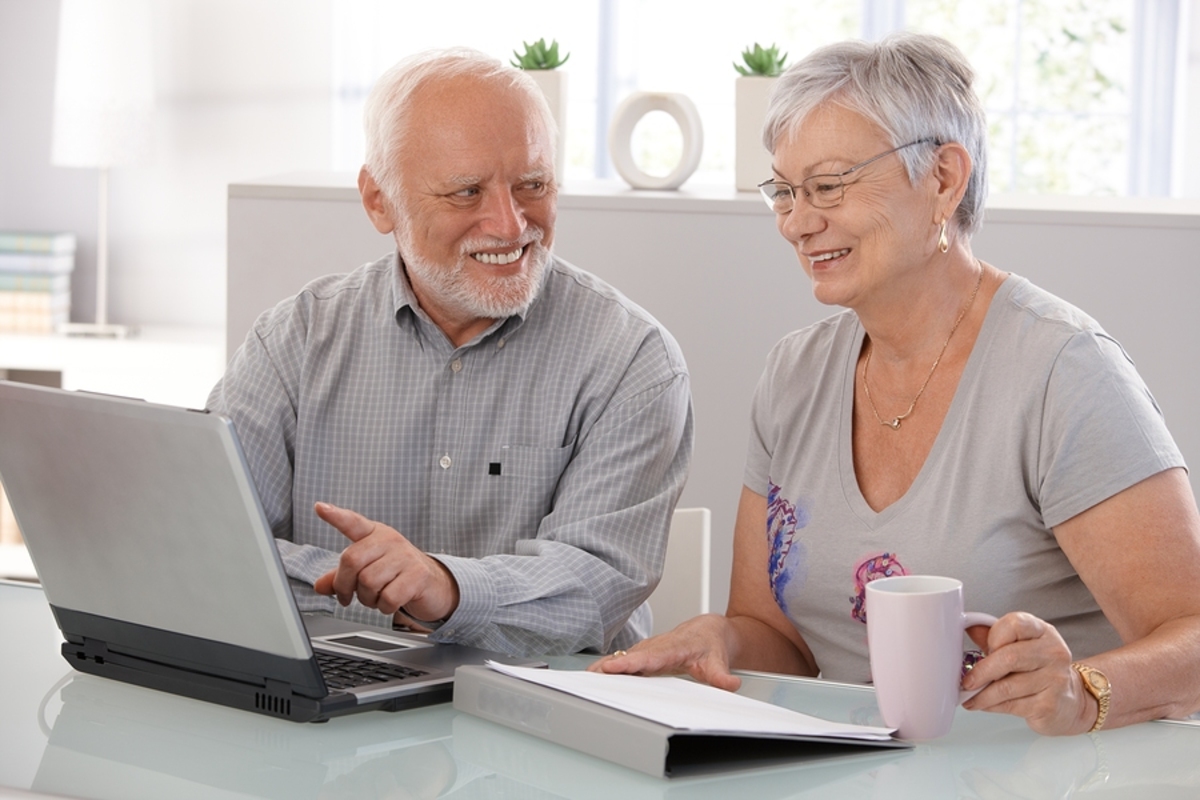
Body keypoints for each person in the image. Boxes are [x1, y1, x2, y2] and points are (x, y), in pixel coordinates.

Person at [593, 32, 1200, 735]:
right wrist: (723, 641)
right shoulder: (794, 376)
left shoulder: (1063, 372)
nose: (796, 222)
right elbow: (776, 637)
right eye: (784, 192)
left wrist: (1079, 690)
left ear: (943, 178)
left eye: (827, 185)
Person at [207, 48, 693, 657]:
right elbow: (212, 545)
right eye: (466, 192)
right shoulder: (293, 342)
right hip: (329, 711)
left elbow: (591, 592)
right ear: (379, 201)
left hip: (542, 723)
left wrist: (448, 590)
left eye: (533, 185)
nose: (510, 224)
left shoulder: (633, 360)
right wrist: (401, 602)